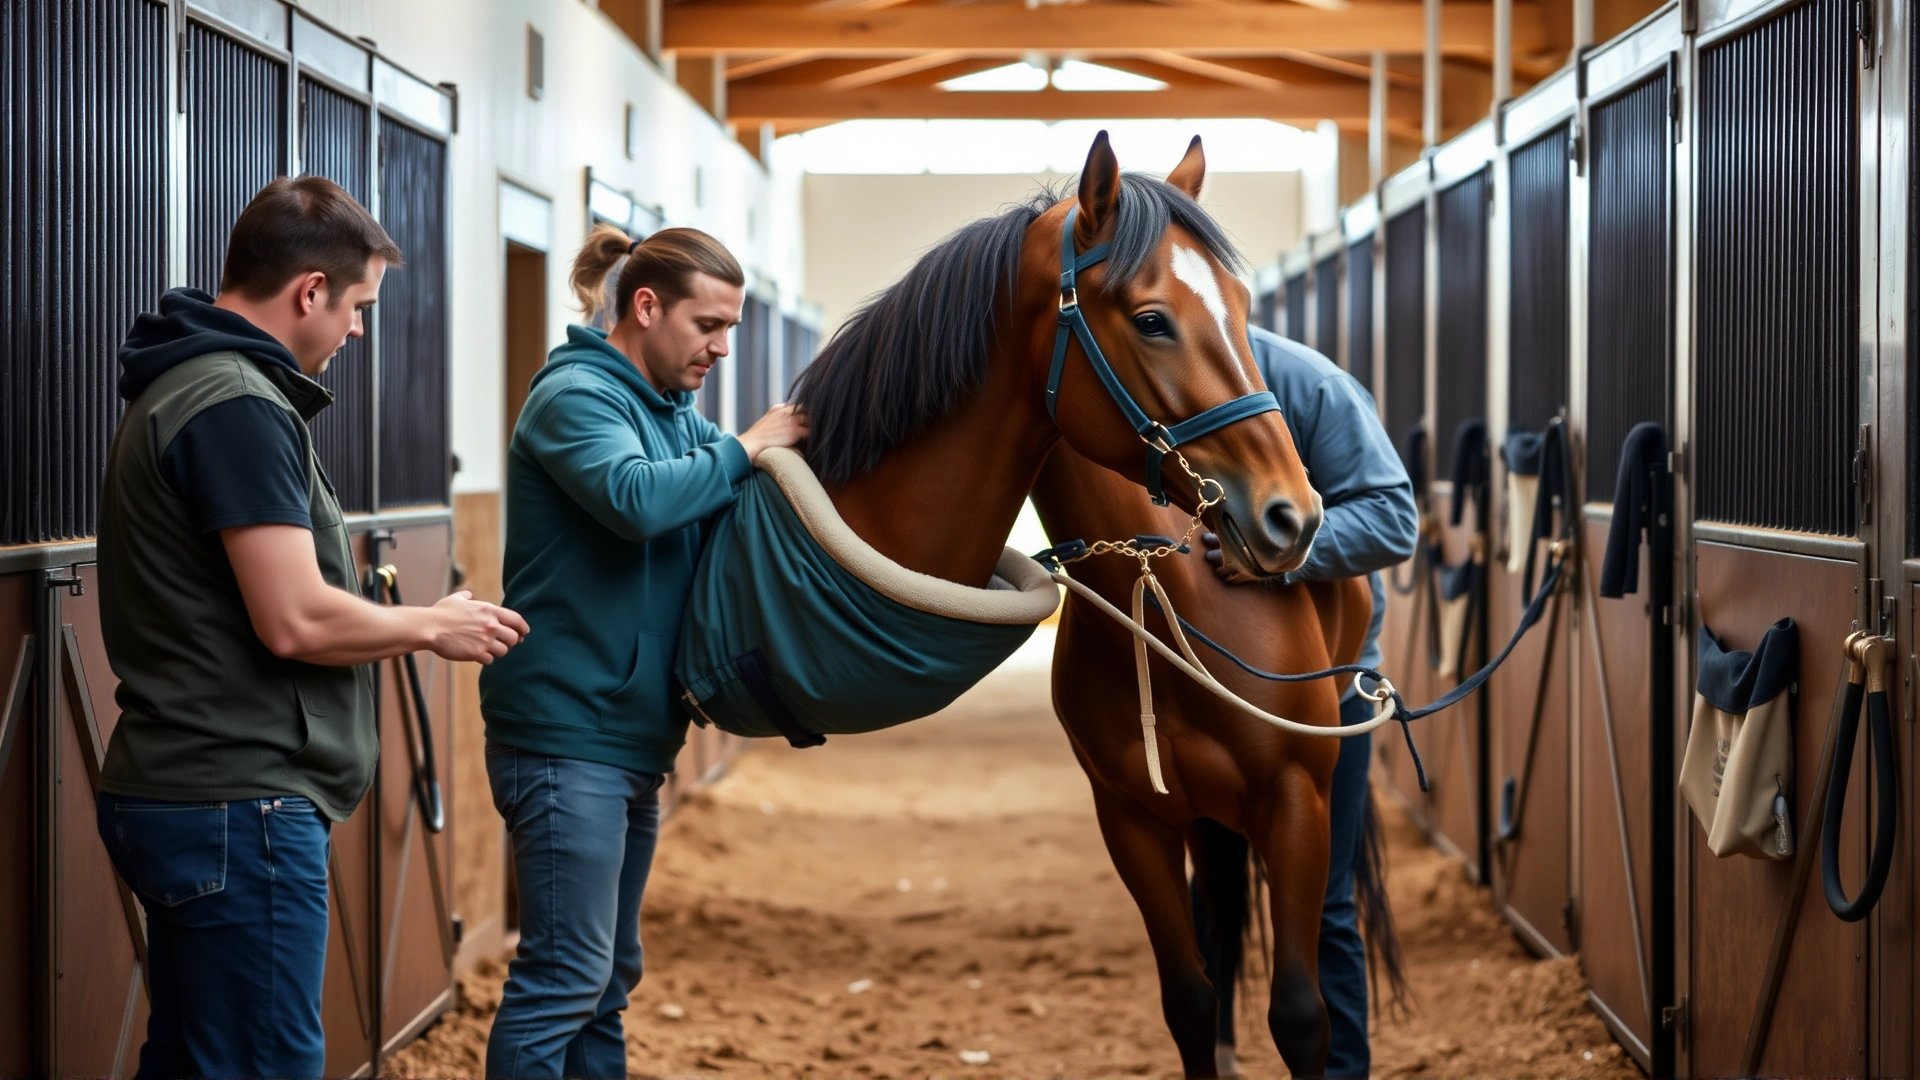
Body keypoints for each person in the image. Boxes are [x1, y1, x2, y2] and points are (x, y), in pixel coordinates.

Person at [95, 175, 528, 1079]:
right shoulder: (237, 405)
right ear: (310, 292)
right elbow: (291, 617)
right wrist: (427, 625)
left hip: (197, 790)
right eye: (359, 305)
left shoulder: (197, 385)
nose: (360, 329)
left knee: (195, 1060)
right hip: (237, 799)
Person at [478, 224, 807, 1075]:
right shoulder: (576, 396)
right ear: (646, 305)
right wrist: (748, 445)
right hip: (565, 733)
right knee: (564, 978)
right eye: (708, 325)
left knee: (607, 977)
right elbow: (632, 500)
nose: (723, 348)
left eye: (729, 328)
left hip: (628, 733)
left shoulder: (669, 413)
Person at [1196, 324, 1419, 1080]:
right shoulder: (1140, 383)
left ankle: (1341, 1070)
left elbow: (1394, 516)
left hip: (1321, 690)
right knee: (1213, 883)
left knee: (1323, 906)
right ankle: (1218, 1050)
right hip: (1197, 687)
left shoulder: (1307, 383)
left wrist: (1279, 555)